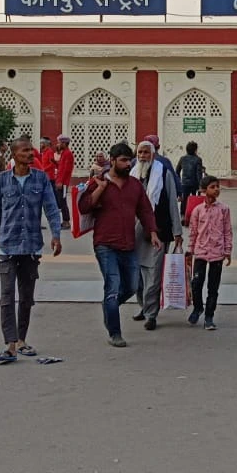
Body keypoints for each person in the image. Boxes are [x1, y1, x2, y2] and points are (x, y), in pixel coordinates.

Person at [0, 137, 64, 364]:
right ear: (15, 154)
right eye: (26, 150)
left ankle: (21, 340)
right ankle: (9, 345)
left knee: (26, 297)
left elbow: (51, 207)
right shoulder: (1, 180)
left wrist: (56, 235)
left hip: (31, 246)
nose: (31, 154)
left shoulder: (40, 179)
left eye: (32, 150)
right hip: (6, 246)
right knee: (7, 296)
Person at [79, 142, 157, 347]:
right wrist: (100, 189)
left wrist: (153, 232)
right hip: (105, 244)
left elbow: (145, 211)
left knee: (132, 286)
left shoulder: (135, 185)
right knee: (112, 286)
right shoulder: (98, 182)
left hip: (128, 244)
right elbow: (84, 207)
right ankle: (115, 333)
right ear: (112, 161)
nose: (127, 164)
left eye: (128, 161)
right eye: (123, 160)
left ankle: (109, 306)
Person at [131, 140, 182, 331]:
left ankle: (151, 315)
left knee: (153, 275)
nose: (142, 156)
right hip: (135, 231)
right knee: (137, 276)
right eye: (140, 152)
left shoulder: (164, 174)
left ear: (153, 154)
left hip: (158, 231)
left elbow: (171, 205)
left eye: (146, 152)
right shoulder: (132, 174)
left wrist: (177, 231)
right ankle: (143, 307)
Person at [186, 177, 233, 330]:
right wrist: (190, 250)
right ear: (204, 190)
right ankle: (198, 307)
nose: (216, 189)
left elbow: (227, 231)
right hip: (200, 252)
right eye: (213, 187)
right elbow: (193, 232)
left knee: (213, 287)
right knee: (196, 283)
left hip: (217, 253)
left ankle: (209, 316)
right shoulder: (197, 210)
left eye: (218, 187)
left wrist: (228, 251)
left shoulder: (224, 209)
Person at [50, 135, 75, 231]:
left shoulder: (68, 154)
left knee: (63, 202)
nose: (58, 144)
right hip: (60, 181)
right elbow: (61, 167)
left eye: (59, 143)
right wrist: (55, 163)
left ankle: (66, 221)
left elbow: (66, 170)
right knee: (60, 201)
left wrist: (60, 181)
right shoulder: (64, 153)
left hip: (63, 182)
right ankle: (65, 221)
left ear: (64, 143)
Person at [175, 142, 205, 217]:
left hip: (184, 183)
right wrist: (200, 185)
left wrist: (179, 181)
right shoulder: (198, 159)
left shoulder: (182, 158)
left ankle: (183, 215)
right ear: (195, 150)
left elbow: (177, 171)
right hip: (195, 183)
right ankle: (194, 214)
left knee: (184, 200)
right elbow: (199, 174)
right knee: (195, 199)